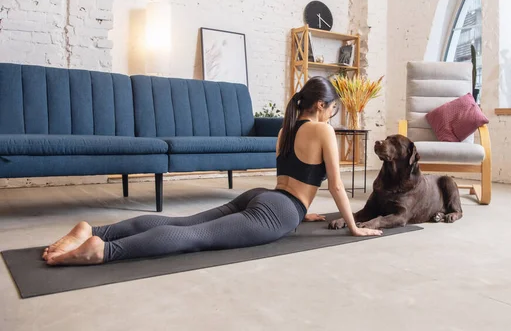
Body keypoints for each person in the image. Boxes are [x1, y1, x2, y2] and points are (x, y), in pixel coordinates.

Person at [42, 76, 382, 266]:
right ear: (321, 105)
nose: (332, 116)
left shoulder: (286, 128)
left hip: (264, 197)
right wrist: (353, 227)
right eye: (332, 109)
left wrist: (301, 208)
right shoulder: (322, 130)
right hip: (279, 210)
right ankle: (103, 250)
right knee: (195, 237)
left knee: (184, 223)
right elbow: (337, 186)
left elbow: (287, 179)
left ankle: (93, 228)